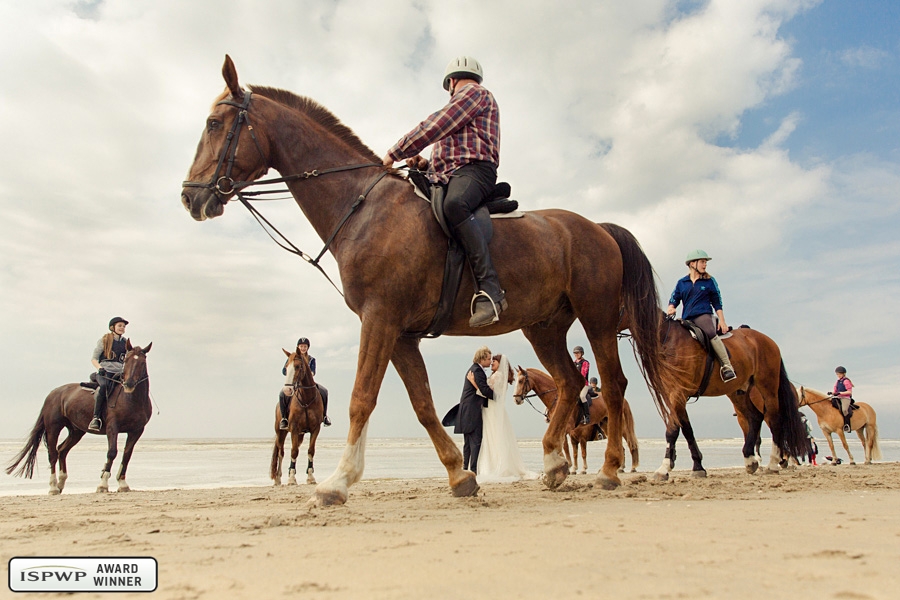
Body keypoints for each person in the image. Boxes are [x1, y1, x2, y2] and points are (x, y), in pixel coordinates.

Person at [382, 55, 506, 328]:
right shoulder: (465, 105)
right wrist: (425, 164)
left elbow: (437, 124)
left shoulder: (474, 93)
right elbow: (444, 156)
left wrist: (396, 152)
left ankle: (491, 290)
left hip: (476, 171)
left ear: (451, 82)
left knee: (455, 205)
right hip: (452, 174)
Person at [667, 249, 736, 382]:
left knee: (710, 333)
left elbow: (717, 302)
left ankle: (727, 366)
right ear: (692, 264)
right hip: (686, 318)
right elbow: (674, 298)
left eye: (705, 262)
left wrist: (722, 321)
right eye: (703, 262)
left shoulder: (709, 281)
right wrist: (671, 307)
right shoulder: (682, 283)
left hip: (703, 315)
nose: (705, 265)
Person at [467, 354, 538, 482]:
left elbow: (488, 393)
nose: (492, 362)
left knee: (493, 436)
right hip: (493, 409)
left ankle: (494, 467)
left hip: (492, 409)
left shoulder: (497, 376)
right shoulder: (499, 376)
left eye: (494, 361)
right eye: (491, 360)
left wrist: (473, 382)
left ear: (500, 364)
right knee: (494, 436)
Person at [454, 346, 493, 473]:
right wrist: (497, 395)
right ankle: (473, 470)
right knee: (476, 441)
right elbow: (485, 390)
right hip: (473, 410)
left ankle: (465, 468)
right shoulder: (477, 371)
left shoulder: (474, 370)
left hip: (467, 409)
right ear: (481, 359)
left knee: (468, 442)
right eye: (488, 359)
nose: (490, 361)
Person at [278, 337, 331, 431]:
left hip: (309, 383)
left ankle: (324, 416)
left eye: (305, 346)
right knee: (282, 394)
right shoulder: (291, 358)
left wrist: (311, 373)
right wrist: (290, 372)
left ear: (307, 348)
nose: (303, 348)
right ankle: (284, 418)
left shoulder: (311, 359)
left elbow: (313, 371)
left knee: (324, 391)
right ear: (298, 347)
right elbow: (284, 371)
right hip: (295, 382)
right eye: (301, 346)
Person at [89, 317, 130, 432]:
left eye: (124, 326)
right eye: (120, 326)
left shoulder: (125, 342)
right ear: (113, 327)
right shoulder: (105, 340)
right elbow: (94, 359)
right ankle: (96, 418)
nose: (122, 328)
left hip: (119, 373)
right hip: (105, 372)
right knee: (103, 387)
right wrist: (100, 368)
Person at [829, 366, 854, 433]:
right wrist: (832, 393)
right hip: (838, 397)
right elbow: (835, 391)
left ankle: (847, 425)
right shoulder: (837, 382)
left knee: (844, 410)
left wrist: (840, 393)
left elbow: (849, 391)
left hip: (845, 398)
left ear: (843, 374)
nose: (838, 375)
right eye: (837, 374)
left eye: (840, 374)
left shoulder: (846, 381)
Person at [573, 346, 592, 424]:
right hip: (575, 385)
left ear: (582, 353)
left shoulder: (585, 363)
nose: (576, 354)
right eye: (575, 353)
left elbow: (583, 374)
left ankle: (587, 416)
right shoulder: (573, 363)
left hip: (584, 385)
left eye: (578, 353)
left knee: (582, 396)